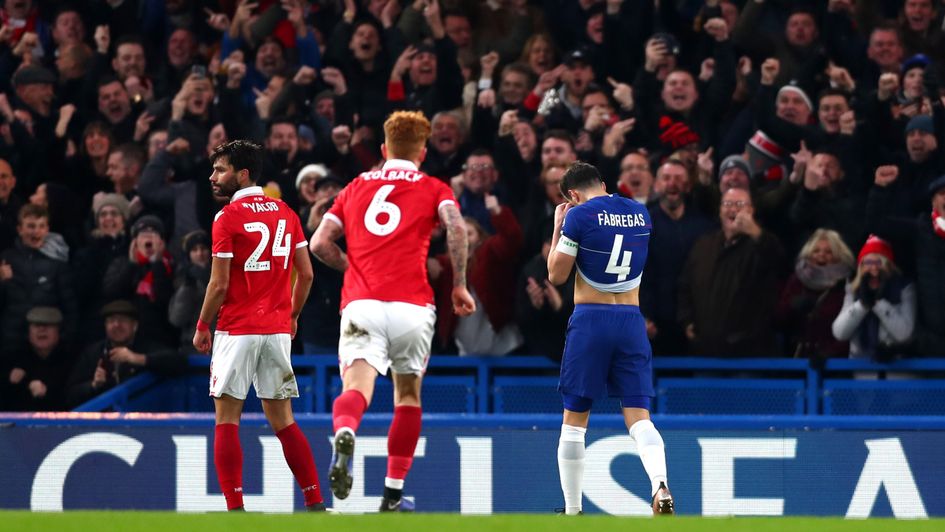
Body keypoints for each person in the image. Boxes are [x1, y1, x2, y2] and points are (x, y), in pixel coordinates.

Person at [310, 110, 475, 512]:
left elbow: (318, 243)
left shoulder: (355, 187)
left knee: (356, 390)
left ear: (383, 150)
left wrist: (356, 269)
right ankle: (392, 495)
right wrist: (458, 283)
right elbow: (456, 227)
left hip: (363, 304)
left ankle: (346, 431)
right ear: (422, 152)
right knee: (407, 396)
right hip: (413, 306)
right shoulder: (434, 187)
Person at [192, 140, 325, 512]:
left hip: (237, 328)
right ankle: (314, 501)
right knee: (283, 420)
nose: (213, 177)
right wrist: (293, 315)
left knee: (227, 419)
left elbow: (218, 284)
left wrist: (203, 325)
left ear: (243, 173)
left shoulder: (227, 218)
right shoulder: (286, 213)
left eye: (220, 170)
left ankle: (235, 508)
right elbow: (308, 273)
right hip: (277, 330)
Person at [546, 162, 672, 516]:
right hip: (631, 319)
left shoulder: (579, 217)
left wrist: (558, 227)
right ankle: (659, 483)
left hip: (591, 319)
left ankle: (572, 511)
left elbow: (556, 274)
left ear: (572, 195)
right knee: (639, 417)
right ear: (602, 183)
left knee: (575, 420)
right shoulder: (641, 213)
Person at [832, 235, 916, 361]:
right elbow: (840, 333)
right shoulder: (853, 290)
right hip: (863, 372)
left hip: (898, 373)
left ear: (889, 266)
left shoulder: (904, 288)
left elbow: (904, 334)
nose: (874, 269)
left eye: (879, 262)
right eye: (868, 263)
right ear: (861, 267)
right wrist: (862, 305)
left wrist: (878, 304)